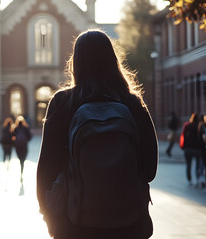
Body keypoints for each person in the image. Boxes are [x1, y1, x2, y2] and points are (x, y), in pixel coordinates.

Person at [37, 29, 158, 239]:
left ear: (76, 62)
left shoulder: (62, 103)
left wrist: (51, 218)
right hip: (129, 223)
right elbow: (149, 170)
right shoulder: (132, 103)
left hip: (75, 224)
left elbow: (46, 170)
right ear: (112, 60)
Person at [179, 113, 204, 186]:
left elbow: (183, 136)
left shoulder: (187, 125)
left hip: (188, 148)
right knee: (198, 165)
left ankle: (189, 180)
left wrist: (183, 146)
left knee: (188, 165)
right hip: (197, 148)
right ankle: (197, 179)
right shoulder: (199, 126)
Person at [13, 115, 32, 181]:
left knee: (20, 159)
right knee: (23, 160)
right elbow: (30, 137)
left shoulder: (16, 128)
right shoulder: (26, 128)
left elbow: (13, 136)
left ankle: (21, 168)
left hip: (18, 146)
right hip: (24, 145)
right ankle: (22, 172)